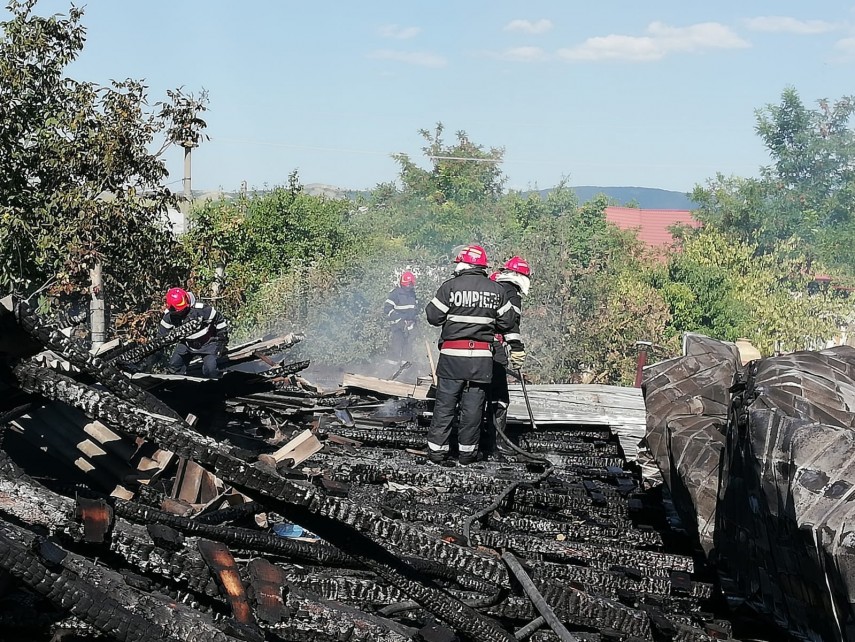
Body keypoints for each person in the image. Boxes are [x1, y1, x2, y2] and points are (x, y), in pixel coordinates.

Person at [424, 245, 515, 465]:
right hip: (481, 360)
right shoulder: (497, 290)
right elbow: (508, 322)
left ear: (463, 263)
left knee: (445, 405)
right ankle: (467, 454)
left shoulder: (450, 287)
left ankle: (437, 452)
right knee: (473, 407)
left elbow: (433, 316)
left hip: (452, 358)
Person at [483, 256, 531, 459]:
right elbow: (511, 324)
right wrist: (517, 348)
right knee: (500, 397)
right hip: (495, 348)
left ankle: (480, 439)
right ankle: (496, 443)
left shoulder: (491, 287)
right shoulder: (511, 292)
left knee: (479, 394)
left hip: (478, 348)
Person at [158, 287, 229, 379]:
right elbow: (161, 338)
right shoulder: (169, 317)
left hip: (208, 344)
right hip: (186, 344)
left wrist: (222, 341)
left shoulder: (203, 310)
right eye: (180, 311)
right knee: (174, 366)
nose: (182, 312)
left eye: (184, 309)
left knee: (211, 370)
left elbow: (219, 320)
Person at [383, 271, 418, 363]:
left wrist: (413, 321)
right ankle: (391, 368)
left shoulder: (412, 294)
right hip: (398, 326)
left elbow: (414, 309)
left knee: (408, 349)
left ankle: (405, 367)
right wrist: (399, 319)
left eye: (411, 285)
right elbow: (387, 309)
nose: (409, 287)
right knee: (396, 347)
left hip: (410, 326)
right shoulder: (395, 294)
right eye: (408, 285)